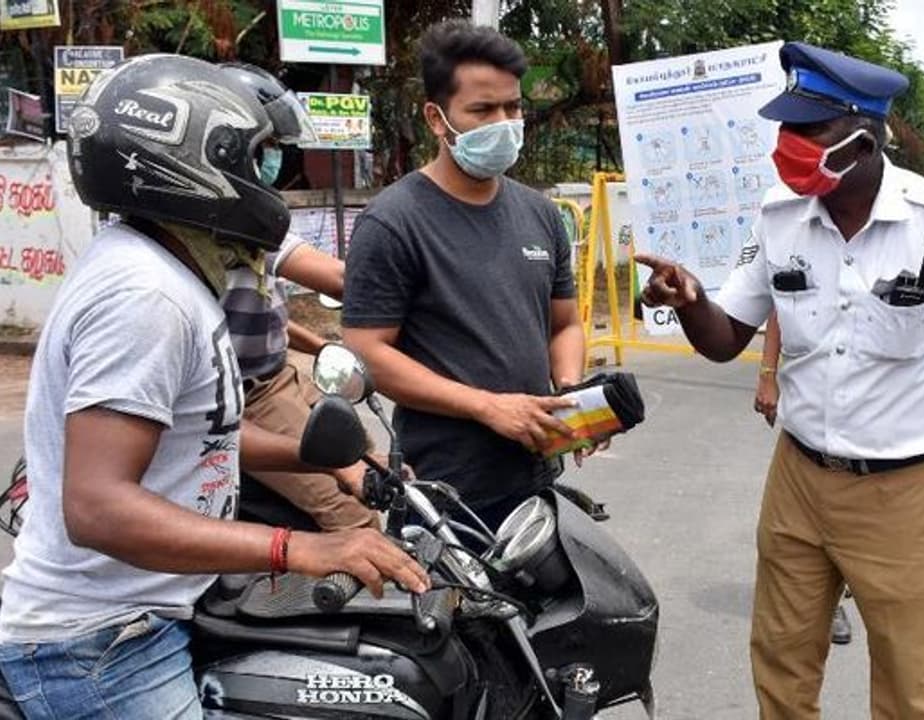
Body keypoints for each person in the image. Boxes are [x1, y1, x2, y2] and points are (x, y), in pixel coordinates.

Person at [0, 55, 427, 720]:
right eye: (256, 159)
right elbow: (98, 507)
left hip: (148, 615)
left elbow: (200, 436)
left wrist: (324, 458)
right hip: (102, 648)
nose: (268, 179)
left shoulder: (173, 275)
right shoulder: (145, 298)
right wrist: (301, 548)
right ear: (193, 161)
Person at [638, 42, 924, 720]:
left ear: (863, 140)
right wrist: (691, 302)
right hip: (797, 482)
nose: (787, 145)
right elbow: (725, 339)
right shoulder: (778, 216)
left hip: (903, 494)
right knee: (781, 666)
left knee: (910, 687)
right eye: (785, 128)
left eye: (807, 130)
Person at [342, 21, 590, 530]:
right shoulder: (394, 222)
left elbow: (563, 323)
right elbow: (367, 351)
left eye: (513, 108)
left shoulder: (541, 214)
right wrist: (486, 407)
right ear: (437, 118)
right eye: (482, 110)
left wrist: (572, 398)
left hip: (536, 481)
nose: (504, 123)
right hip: (443, 496)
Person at [219, 62, 380, 533]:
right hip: (249, 399)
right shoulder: (216, 224)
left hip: (278, 376)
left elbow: (258, 313)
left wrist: (319, 346)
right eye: (264, 148)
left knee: (377, 464)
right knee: (354, 513)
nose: (273, 160)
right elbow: (340, 280)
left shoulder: (250, 216)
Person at [754, 311, 854, 645]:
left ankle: (851, 585)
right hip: (811, 426)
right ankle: (830, 604)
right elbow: (778, 308)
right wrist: (767, 374)